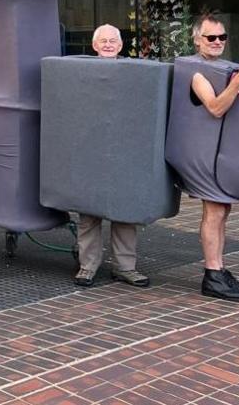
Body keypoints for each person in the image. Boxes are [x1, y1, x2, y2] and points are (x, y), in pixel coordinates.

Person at [187, 13, 239, 302]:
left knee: (222, 210)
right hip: (203, 152)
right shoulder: (195, 71)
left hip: (219, 150)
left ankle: (218, 269)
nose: (217, 42)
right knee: (214, 211)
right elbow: (215, 107)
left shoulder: (224, 68)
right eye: (211, 37)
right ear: (198, 40)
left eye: (222, 37)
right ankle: (212, 274)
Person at [73, 25, 150, 288]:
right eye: (103, 41)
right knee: (88, 214)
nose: (108, 45)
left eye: (113, 41)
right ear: (94, 46)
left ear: (120, 45)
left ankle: (125, 268)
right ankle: (87, 266)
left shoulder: (134, 72)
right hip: (90, 151)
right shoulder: (80, 73)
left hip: (124, 152)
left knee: (125, 212)